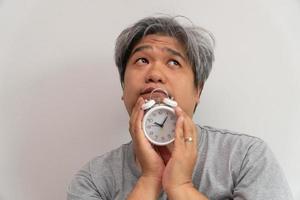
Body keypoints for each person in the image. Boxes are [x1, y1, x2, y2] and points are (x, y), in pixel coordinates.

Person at [67, 15, 293, 200]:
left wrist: (180, 185)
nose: (155, 74)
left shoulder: (246, 156)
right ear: (124, 87)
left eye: (174, 62)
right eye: (142, 60)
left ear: (198, 92)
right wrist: (150, 179)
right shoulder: (93, 180)